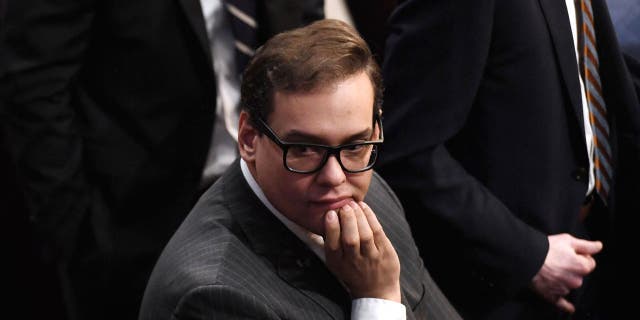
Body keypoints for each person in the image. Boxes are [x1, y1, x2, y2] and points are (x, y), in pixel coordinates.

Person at [0, 1, 322, 319]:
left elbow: (307, 36)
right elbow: (34, 88)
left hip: (271, 202)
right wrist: (77, 233)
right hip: (130, 222)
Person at [139, 19, 461, 320]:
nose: (335, 177)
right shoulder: (212, 296)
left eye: (354, 146)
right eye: (305, 149)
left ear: (376, 132)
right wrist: (379, 300)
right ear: (249, 138)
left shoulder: (372, 193)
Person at [377, 0, 640, 319]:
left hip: (597, 259)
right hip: (509, 284)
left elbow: (592, 79)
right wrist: (529, 257)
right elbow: (405, 151)